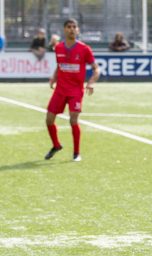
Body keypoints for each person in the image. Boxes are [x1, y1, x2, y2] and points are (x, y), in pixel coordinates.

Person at [44, 19, 99, 162]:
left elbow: (96, 69)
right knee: (49, 120)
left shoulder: (84, 49)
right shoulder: (58, 48)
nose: (72, 29)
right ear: (64, 30)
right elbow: (60, 65)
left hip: (75, 91)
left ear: (78, 30)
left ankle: (76, 153)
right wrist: (54, 78)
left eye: (74, 27)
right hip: (60, 90)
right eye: (69, 27)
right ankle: (56, 145)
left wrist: (91, 83)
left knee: (73, 120)